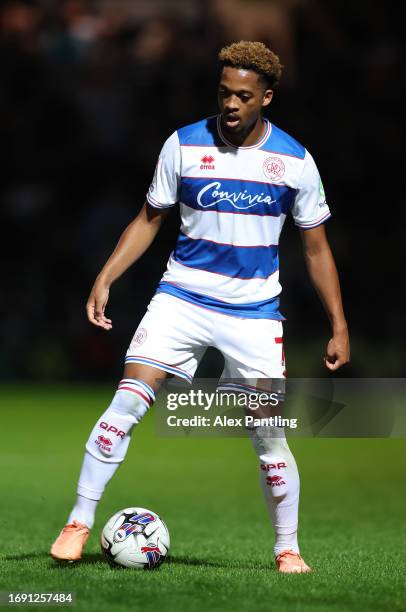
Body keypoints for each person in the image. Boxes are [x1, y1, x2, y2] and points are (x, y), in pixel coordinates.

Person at [50, 41, 349, 573]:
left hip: (254, 313)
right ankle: (77, 520)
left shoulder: (296, 161)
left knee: (268, 433)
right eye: (224, 93)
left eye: (243, 96)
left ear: (266, 98)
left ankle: (287, 549)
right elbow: (148, 218)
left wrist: (339, 325)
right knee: (127, 403)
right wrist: (106, 277)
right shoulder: (183, 146)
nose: (231, 104)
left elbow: (316, 247)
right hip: (180, 299)